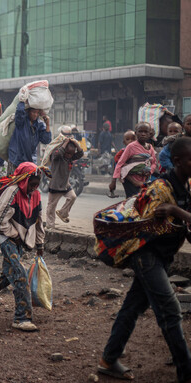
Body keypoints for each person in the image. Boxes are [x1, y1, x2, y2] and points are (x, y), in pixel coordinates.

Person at [98, 136, 191, 382]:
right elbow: (145, 227)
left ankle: (108, 359)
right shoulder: (160, 188)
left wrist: (175, 213)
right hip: (146, 255)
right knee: (170, 311)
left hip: (162, 256)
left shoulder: (186, 186)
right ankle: (186, 371)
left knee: (133, 307)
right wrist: (178, 215)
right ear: (178, 161)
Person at [0, 162, 45, 332]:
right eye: (32, 184)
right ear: (24, 181)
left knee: (9, 275)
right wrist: (13, 234)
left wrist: (40, 243)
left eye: (37, 185)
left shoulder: (36, 195)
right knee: (20, 275)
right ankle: (22, 318)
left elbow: (39, 221)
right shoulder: (12, 192)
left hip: (21, 240)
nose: (34, 188)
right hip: (7, 238)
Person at [110, 122, 157, 198]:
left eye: (145, 132)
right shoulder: (131, 146)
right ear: (136, 133)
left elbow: (154, 162)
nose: (143, 134)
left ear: (149, 134)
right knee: (132, 200)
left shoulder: (150, 147)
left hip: (143, 179)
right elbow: (120, 163)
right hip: (130, 180)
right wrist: (113, 181)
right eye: (140, 131)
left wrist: (149, 171)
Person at [46, 138, 83, 229]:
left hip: (65, 185)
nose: (70, 155)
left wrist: (75, 143)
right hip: (55, 185)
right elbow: (58, 153)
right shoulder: (56, 156)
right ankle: (50, 226)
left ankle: (63, 213)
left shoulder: (69, 158)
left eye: (71, 154)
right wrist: (65, 142)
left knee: (72, 197)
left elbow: (81, 153)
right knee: (51, 206)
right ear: (64, 150)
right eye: (68, 153)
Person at [7, 102, 51, 173]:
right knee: (14, 182)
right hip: (16, 158)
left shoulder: (39, 125)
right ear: (28, 112)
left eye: (37, 113)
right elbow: (20, 111)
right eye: (33, 112)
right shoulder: (21, 121)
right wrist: (23, 100)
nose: (35, 115)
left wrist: (48, 124)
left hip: (30, 160)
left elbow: (46, 140)